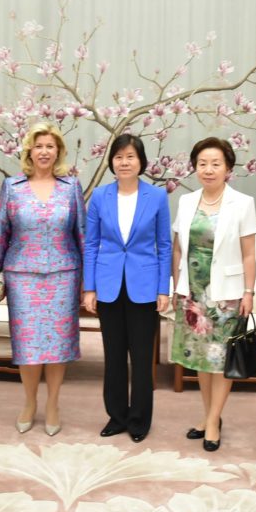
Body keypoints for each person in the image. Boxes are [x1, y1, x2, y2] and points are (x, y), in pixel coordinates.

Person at [0, 123, 85, 436]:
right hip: (22, 276)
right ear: (29, 150)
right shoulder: (12, 186)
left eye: (50, 146)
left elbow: (81, 233)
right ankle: (29, 402)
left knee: (58, 345)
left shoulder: (71, 187)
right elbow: (1, 232)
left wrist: (89, 280)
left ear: (58, 152)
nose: (44, 151)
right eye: (39, 145)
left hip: (63, 275)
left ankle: (53, 402)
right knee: (28, 346)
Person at [170, 137, 256, 452]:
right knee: (202, 360)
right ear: (195, 167)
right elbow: (179, 248)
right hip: (194, 294)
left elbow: (249, 253)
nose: (208, 170)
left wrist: (249, 291)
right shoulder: (186, 201)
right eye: (202, 164)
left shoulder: (242, 203)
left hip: (226, 297)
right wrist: (177, 286)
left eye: (215, 164)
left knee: (221, 361)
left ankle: (214, 422)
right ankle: (209, 417)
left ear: (228, 168)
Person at [83, 135, 172, 443]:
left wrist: (164, 289)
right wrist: (89, 288)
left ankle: (139, 420)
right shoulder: (100, 196)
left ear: (141, 162)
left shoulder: (157, 197)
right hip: (108, 287)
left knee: (142, 355)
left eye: (130, 156)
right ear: (112, 162)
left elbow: (164, 245)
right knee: (115, 356)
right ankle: (117, 416)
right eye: (119, 156)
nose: (124, 162)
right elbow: (91, 243)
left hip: (144, 287)